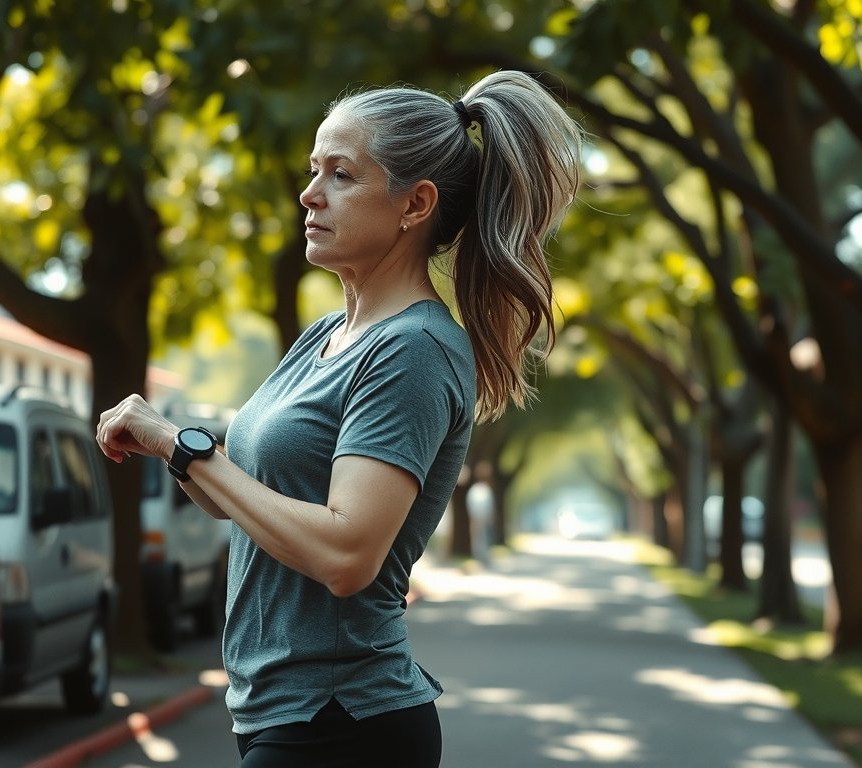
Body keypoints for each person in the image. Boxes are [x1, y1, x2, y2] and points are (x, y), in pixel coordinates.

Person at [95, 69, 582, 767]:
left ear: (415, 205)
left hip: (343, 723)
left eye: (342, 174)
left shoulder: (411, 350)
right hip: (280, 711)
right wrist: (163, 444)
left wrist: (180, 444)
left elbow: (345, 556)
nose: (309, 193)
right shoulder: (325, 335)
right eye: (313, 169)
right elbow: (245, 501)